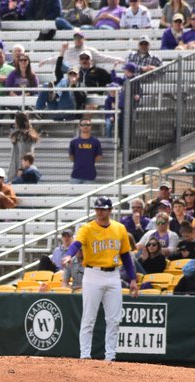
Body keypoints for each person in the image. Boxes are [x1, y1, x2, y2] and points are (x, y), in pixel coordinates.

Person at [62, 197, 138, 361]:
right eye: (97, 209)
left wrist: (132, 279)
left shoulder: (119, 228)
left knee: (114, 319)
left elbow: (125, 255)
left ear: (110, 210)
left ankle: (110, 356)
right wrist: (69, 255)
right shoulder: (87, 228)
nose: (99, 212)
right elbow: (76, 244)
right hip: (93, 274)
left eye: (103, 209)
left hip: (113, 275)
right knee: (89, 318)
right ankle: (85, 355)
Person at [68, 119, 102, 184]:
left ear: (91, 126)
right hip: (76, 174)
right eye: (83, 125)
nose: (85, 127)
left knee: (89, 194)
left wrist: (89, 162)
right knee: (73, 194)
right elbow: (71, 156)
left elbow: (99, 156)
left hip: (90, 175)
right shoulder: (74, 142)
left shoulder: (96, 142)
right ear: (80, 126)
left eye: (88, 125)